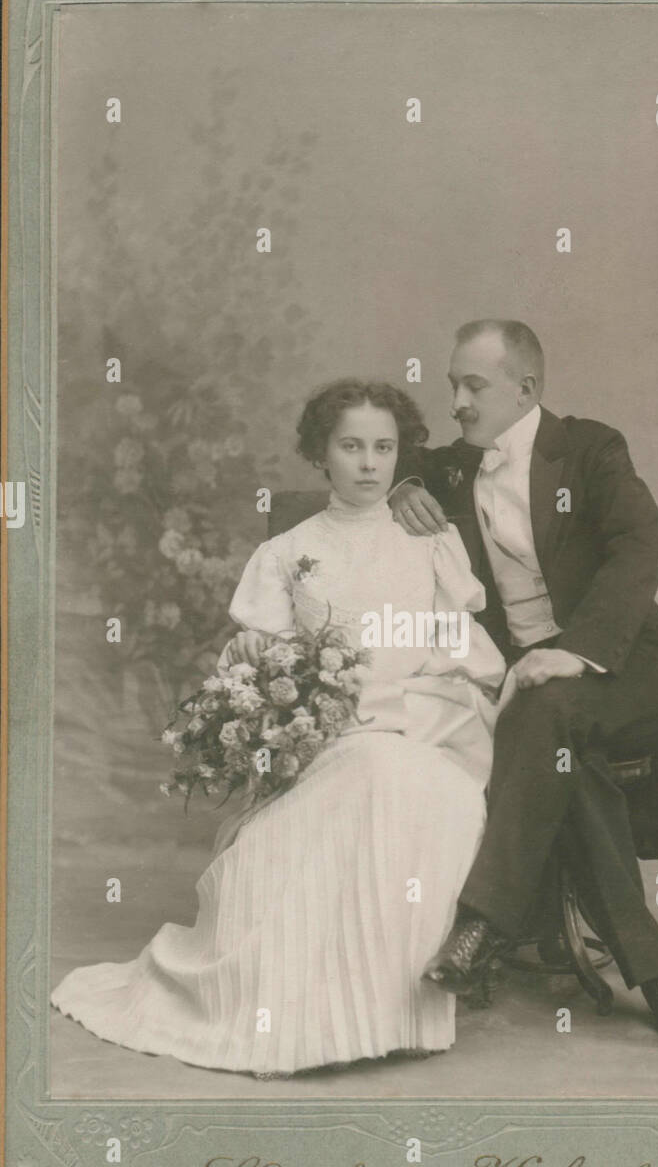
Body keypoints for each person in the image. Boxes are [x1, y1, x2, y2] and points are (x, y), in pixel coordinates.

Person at [51, 380, 505, 1077]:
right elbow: (254, 662)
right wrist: (294, 706)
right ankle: (312, 1015)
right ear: (319, 454)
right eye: (350, 446)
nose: (368, 463)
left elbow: (461, 657)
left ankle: (387, 1011)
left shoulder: (429, 540)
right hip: (324, 739)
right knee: (345, 790)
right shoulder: (289, 552)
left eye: (384, 448)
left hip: (422, 731)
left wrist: (397, 705)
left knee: (390, 778)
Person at [389, 320, 658, 1044]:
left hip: (623, 668)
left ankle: (480, 927)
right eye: (452, 386)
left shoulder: (591, 449)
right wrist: (404, 482)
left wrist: (579, 651)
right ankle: (655, 976)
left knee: (544, 709)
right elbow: (383, 453)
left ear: (525, 389)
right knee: (568, 758)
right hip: (535, 689)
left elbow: (638, 545)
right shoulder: (454, 467)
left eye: (475, 385)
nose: (458, 402)